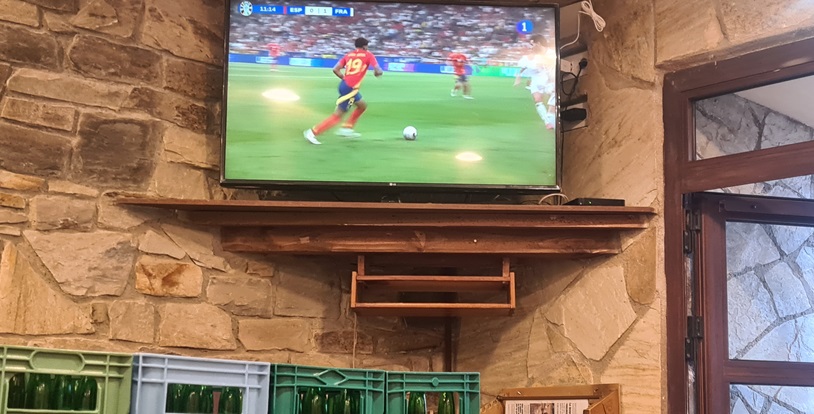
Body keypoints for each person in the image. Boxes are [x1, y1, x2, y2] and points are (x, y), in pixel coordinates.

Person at [304, 37, 383, 145]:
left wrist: (344, 78)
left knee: (362, 106)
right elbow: (378, 70)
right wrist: (378, 73)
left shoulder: (349, 55)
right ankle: (313, 132)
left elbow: (335, 69)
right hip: (350, 89)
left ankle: (347, 128)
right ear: (365, 46)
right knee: (338, 115)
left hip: (345, 86)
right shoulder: (368, 55)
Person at [514, 34, 557, 129]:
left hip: (552, 82)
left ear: (538, 43)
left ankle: (552, 120)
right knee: (538, 100)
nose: (531, 47)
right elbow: (523, 67)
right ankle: (548, 122)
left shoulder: (552, 54)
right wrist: (518, 78)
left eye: (532, 44)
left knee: (553, 106)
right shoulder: (534, 57)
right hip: (540, 82)